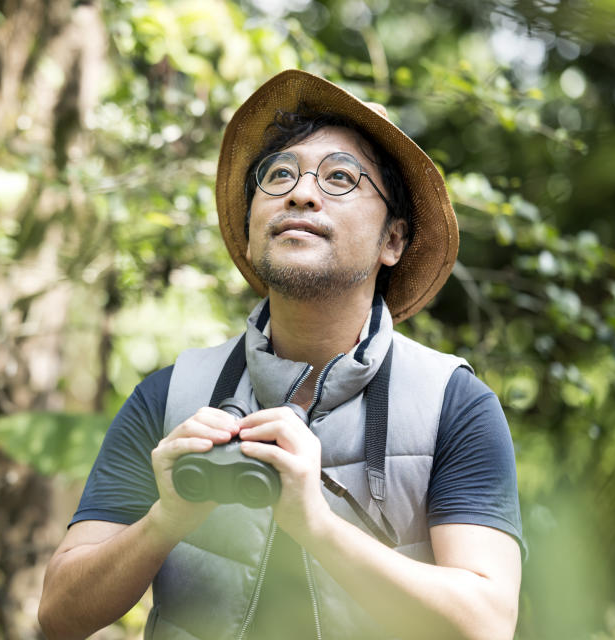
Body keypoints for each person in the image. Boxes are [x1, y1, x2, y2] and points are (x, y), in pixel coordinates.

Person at [38, 70, 524, 640]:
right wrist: (164, 520)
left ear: (393, 239)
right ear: (249, 233)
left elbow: (487, 624)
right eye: (279, 175)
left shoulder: (454, 405)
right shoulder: (170, 396)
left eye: (341, 177)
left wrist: (316, 524)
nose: (300, 192)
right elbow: (59, 615)